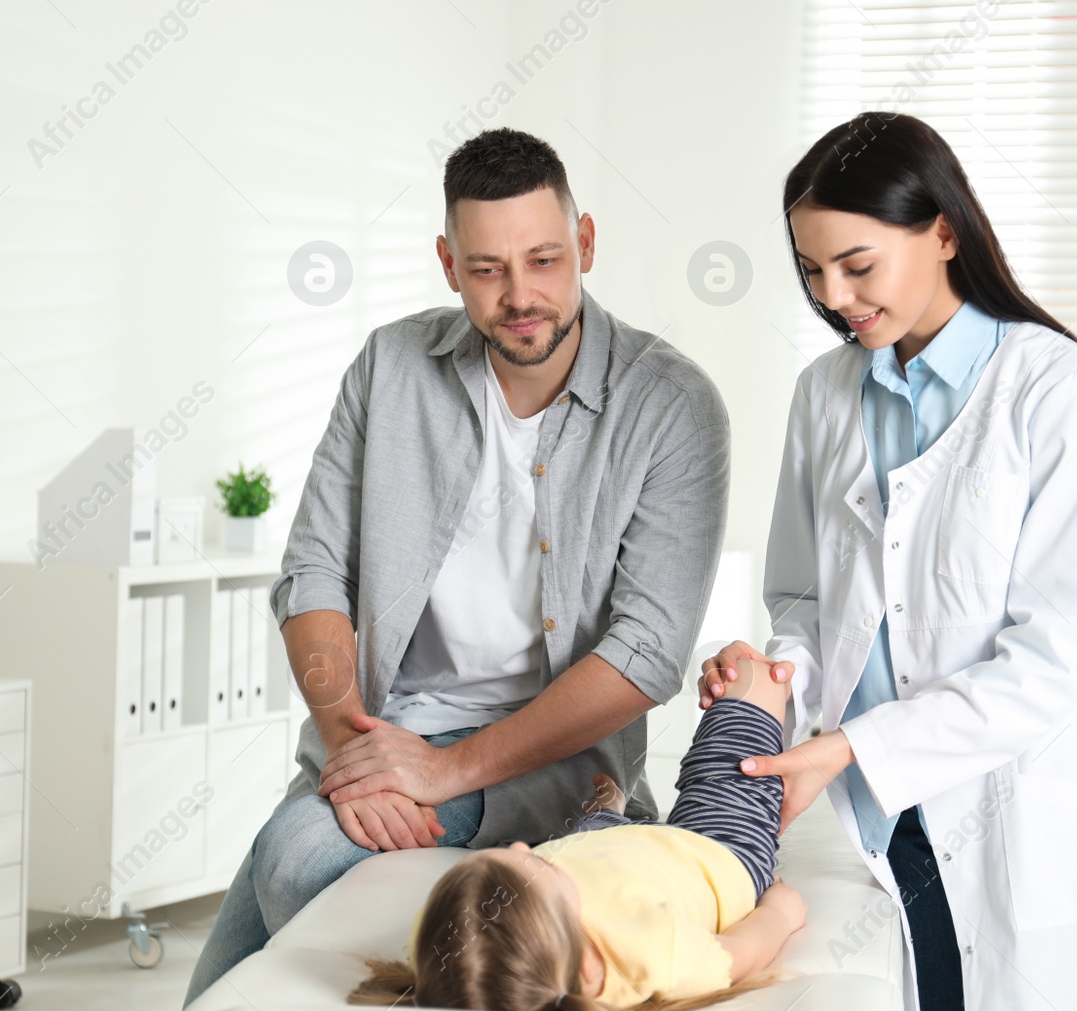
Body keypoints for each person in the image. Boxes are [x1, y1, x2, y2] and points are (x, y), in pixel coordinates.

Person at [184, 127, 730, 1005]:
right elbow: (313, 573)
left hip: (544, 756)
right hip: (382, 729)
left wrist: (443, 771)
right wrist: (350, 745)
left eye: (545, 259)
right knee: (235, 956)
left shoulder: (672, 406)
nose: (521, 295)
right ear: (447, 263)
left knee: (294, 864)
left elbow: (647, 655)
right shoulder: (390, 367)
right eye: (486, 270)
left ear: (585, 243)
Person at [699, 112, 1077, 1010]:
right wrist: (768, 676)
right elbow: (804, 603)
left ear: (945, 232)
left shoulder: (1057, 392)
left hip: (1024, 812)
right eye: (812, 271)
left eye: (858, 264)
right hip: (892, 815)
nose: (835, 296)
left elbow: (1053, 661)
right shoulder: (824, 394)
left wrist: (851, 745)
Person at [349, 658, 808, 1010]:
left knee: (570, 848)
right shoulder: (649, 951)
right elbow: (737, 958)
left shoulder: (446, 949)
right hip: (716, 852)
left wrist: (591, 832)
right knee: (755, 677)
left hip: (604, 852)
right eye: (529, 862)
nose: (514, 846)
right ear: (584, 957)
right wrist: (780, 915)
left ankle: (608, 814)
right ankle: (609, 820)